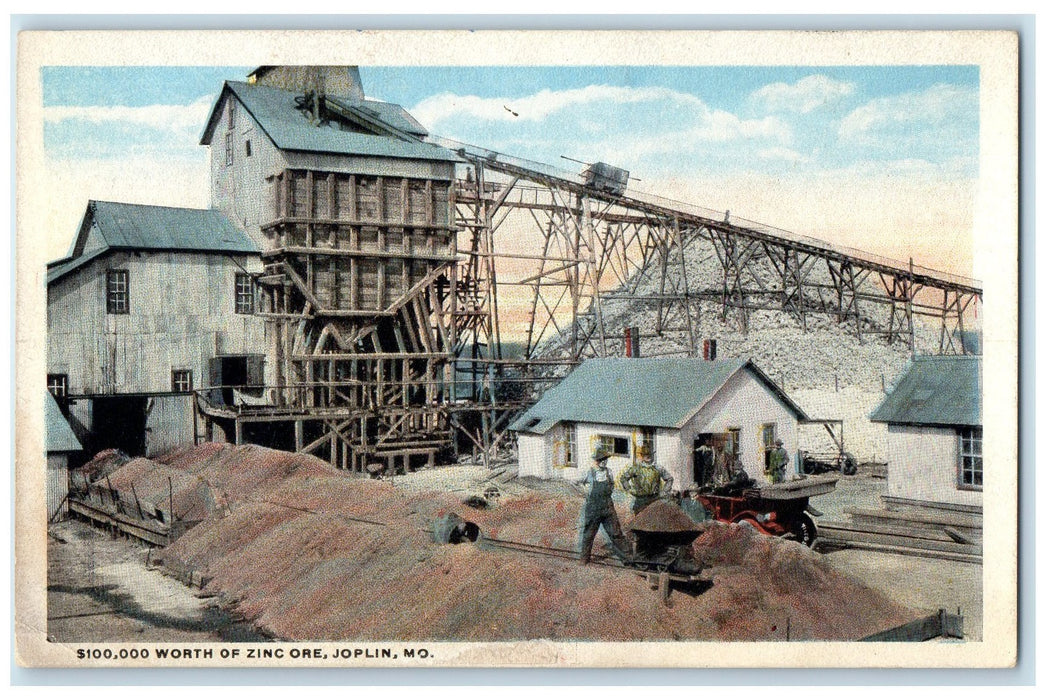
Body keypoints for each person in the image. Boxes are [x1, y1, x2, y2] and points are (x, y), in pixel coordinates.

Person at [575, 447, 629, 565]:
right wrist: (586, 493)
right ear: (597, 460)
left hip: (608, 507)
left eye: (606, 459)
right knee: (589, 533)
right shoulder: (588, 472)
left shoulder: (609, 472)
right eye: (602, 459)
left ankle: (628, 559)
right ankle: (584, 559)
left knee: (616, 533)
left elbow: (612, 485)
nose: (605, 461)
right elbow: (575, 482)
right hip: (593, 508)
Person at [620, 445, 674, 514]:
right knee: (640, 522)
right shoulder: (636, 468)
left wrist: (664, 491)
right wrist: (628, 489)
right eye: (645, 455)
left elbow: (669, 479)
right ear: (642, 456)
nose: (648, 456)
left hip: (654, 499)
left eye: (649, 454)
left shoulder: (658, 468)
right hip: (640, 501)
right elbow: (623, 478)